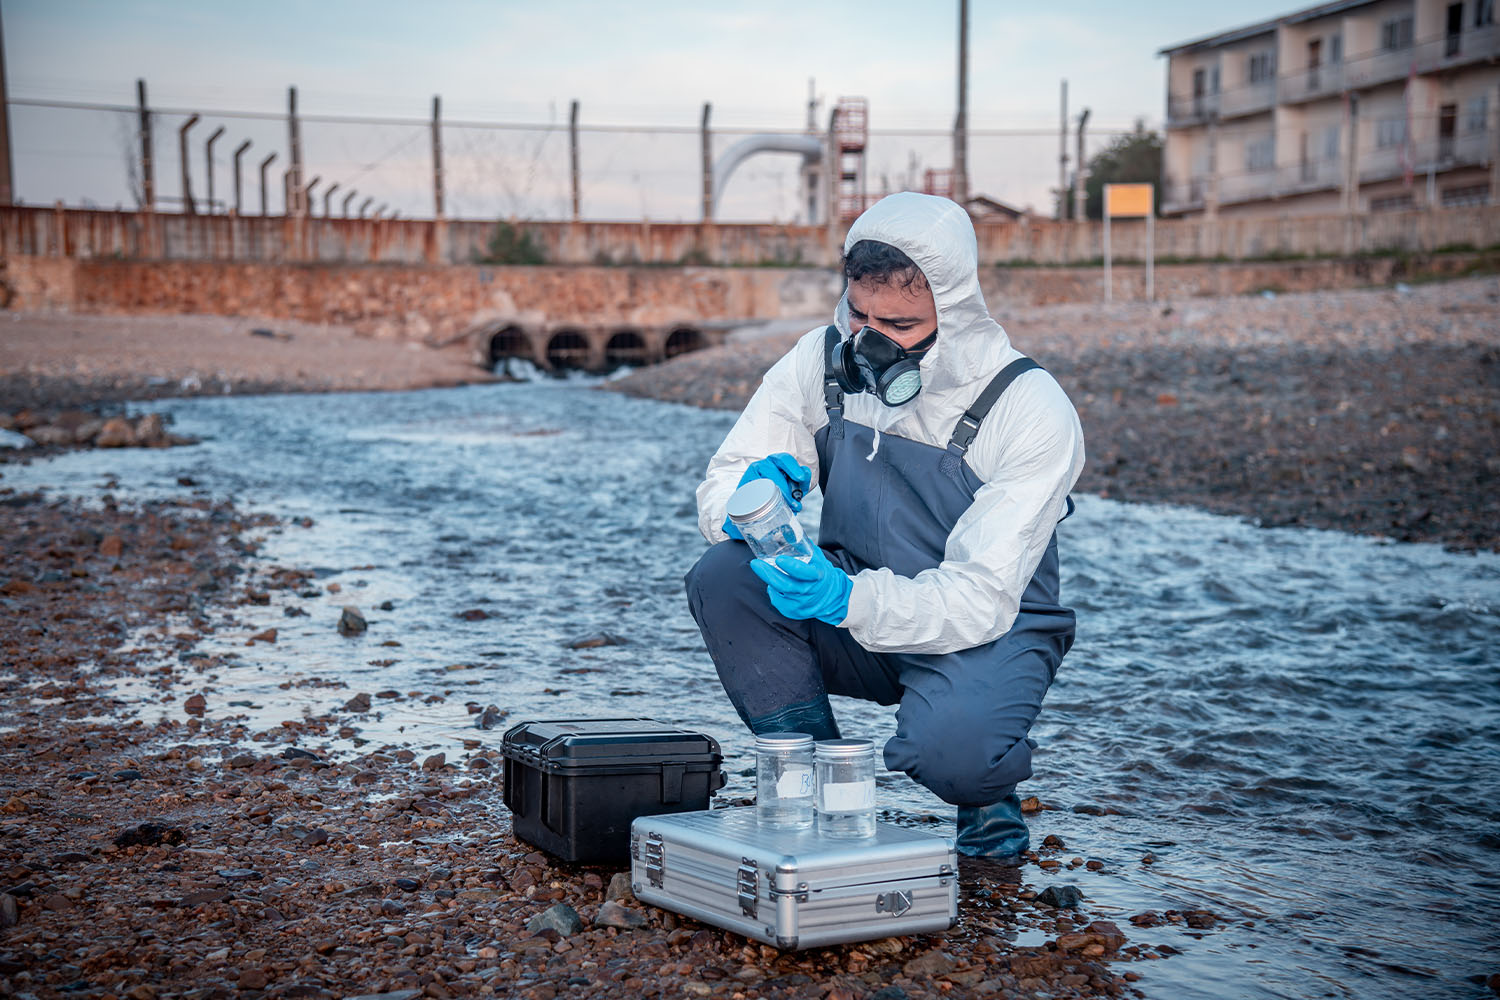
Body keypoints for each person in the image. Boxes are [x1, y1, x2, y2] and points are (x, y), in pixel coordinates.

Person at [684, 192, 1084, 860]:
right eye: (857, 314)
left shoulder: (1029, 408)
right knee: (726, 577)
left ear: (950, 314)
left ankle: (985, 798)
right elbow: (726, 472)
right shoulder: (820, 358)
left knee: (956, 753)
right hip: (859, 606)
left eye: (896, 324)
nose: (866, 341)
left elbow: (982, 595)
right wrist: (742, 500)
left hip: (989, 630)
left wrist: (848, 600)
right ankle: (811, 784)